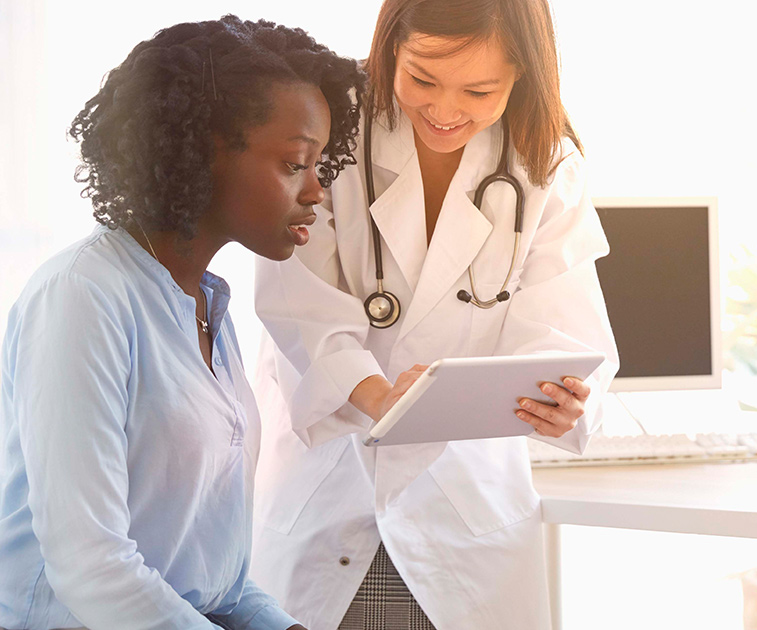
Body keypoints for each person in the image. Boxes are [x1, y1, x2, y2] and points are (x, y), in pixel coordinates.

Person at [249, 0, 620, 628]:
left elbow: (562, 331)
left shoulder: (543, 164)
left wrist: (562, 398)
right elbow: (298, 306)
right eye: (422, 78)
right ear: (391, 44)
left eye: (480, 90)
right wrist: (372, 392)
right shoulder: (329, 129)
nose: (446, 111)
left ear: (523, 74)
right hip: (331, 490)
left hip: (466, 512)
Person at [0, 15, 364, 630]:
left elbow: (214, 578)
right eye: (294, 163)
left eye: (320, 165)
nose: (317, 192)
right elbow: (91, 565)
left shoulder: (209, 311)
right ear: (201, 153)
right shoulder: (82, 297)